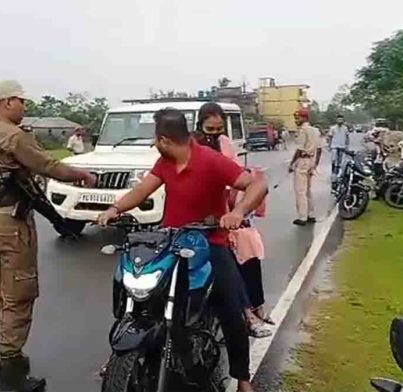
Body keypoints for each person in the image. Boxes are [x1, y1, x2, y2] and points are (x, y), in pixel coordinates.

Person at [98, 108, 268, 392]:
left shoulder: (211, 161)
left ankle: (243, 378)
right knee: (138, 291)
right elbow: (143, 190)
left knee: (231, 308)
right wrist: (114, 209)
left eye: (154, 138)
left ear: (164, 139)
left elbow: (257, 185)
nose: (154, 143)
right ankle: (122, 354)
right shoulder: (164, 162)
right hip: (172, 241)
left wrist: (237, 211)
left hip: (210, 242)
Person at [0, 80, 97, 392]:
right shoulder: (13, 136)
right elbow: (48, 165)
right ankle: (10, 370)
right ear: (7, 102)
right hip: (13, 222)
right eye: (21, 101)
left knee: (1, 288)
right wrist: (83, 175)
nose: (24, 107)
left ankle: (8, 353)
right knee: (20, 292)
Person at [194, 103, 272, 339]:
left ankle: (255, 307)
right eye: (211, 128)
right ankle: (247, 314)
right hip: (201, 216)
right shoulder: (191, 146)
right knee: (228, 262)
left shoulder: (225, 143)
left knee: (248, 251)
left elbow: (237, 174)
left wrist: (239, 208)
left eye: (219, 128)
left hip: (228, 210)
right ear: (200, 125)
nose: (215, 133)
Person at [288, 108, 322, 226]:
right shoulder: (316, 130)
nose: (296, 120)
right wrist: (315, 164)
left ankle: (302, 217)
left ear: (304, 118)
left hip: (303, 160)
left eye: (298, 118)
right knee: (308, 190)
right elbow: (320, 149)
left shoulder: (303, 130)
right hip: (312, 160)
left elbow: (299, 149)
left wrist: (292, 164)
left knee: (300, 191)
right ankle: (311, 214)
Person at [328, 114, 350, 180]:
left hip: (342, 146)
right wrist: (329, 145)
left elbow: (347, 137)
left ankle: (338, 173)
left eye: (341, 119)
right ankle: (333, 172)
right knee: (334, 159)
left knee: (340, 161)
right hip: (334, 146)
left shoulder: (345, 128)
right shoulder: (333, 128)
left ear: (343, 120)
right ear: (336, 120)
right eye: (338, 119)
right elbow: (330, 137)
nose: (340, 120)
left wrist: (346, 146)